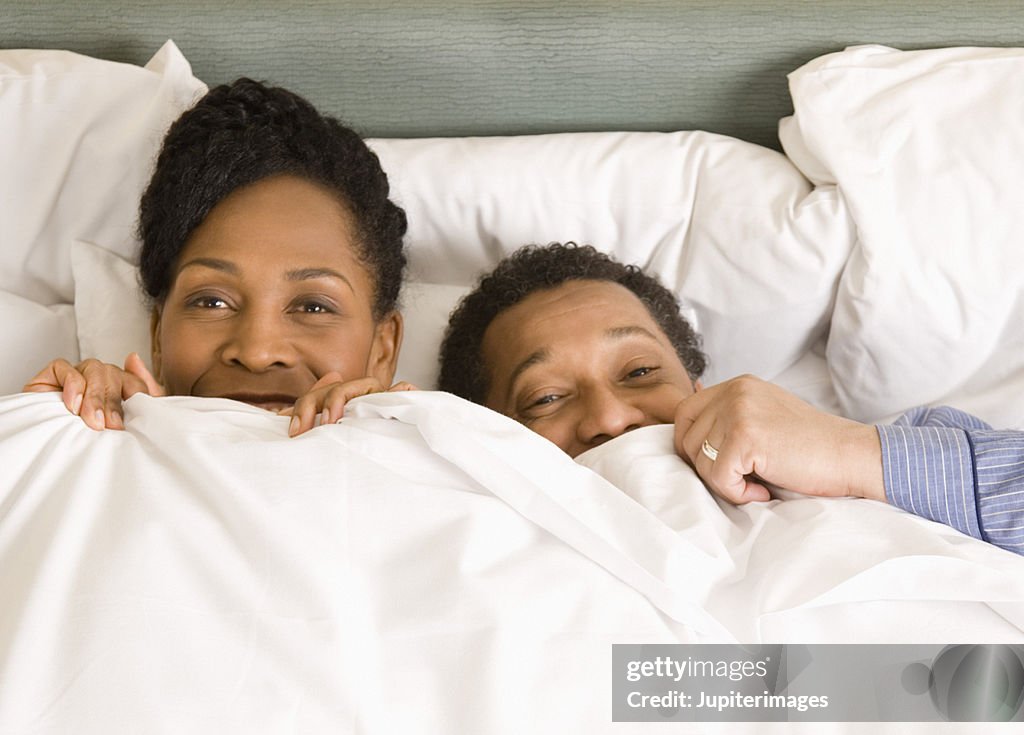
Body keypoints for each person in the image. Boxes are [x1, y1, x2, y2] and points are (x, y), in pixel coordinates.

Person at [438, 242, 1024, 556]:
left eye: (640, 371)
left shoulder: (909, 462)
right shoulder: (476, 542)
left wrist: (850, 454)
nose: (610, 417)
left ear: (700, 391)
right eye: (545, 399)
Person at [24, 79, 411, 434]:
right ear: (158, 338)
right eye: (212, 302)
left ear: (383, 348)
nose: (258, 353)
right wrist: (47, 437)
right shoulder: (87, 450)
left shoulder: (442, 467)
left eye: (312, 307)